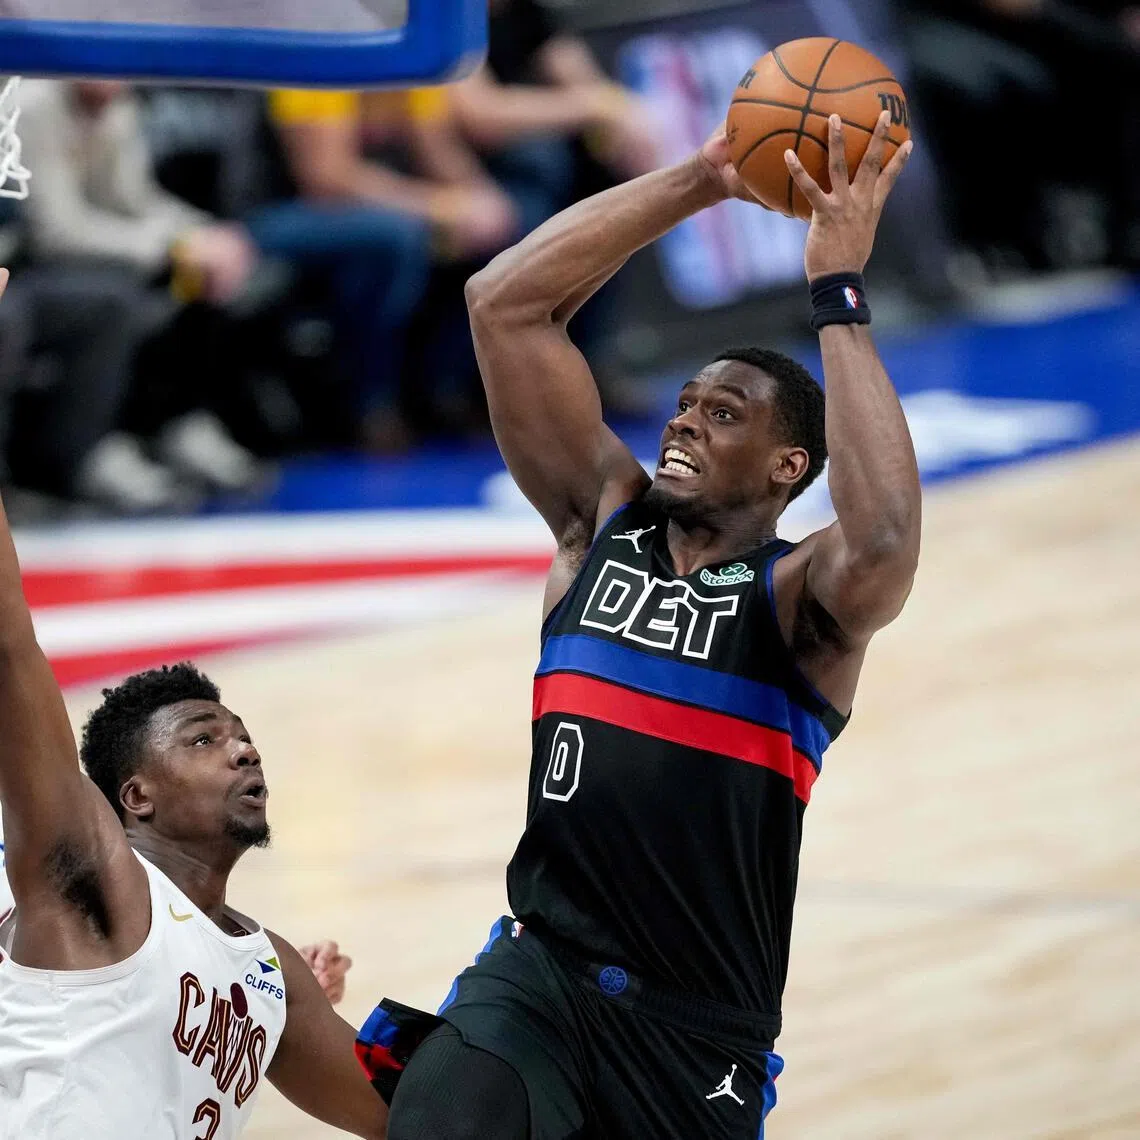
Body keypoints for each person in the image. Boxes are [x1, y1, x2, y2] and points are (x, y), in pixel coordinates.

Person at [361, 112, 920, 1138]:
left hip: (692, 1031)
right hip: (534, 979)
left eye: (724, 413)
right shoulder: (600, 526)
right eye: (685, 402)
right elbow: (504, 305)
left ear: (789, 466)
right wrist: (702, 179)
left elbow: (883, 536)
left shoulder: (799, 601)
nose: (684, 420)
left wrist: (837, 288)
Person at [0, 275, 388, 1134]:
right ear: (133, 796)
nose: (245, 751)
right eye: (204, 740)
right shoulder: (92, 872)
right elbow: (9, 645)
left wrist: (514, 1011)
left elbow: (407, 1113)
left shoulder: (266, 971)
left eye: (241, 737)